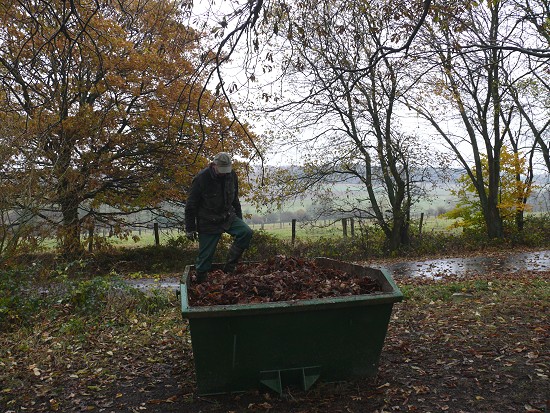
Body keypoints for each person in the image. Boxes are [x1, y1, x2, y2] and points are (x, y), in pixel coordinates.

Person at [184, 152, 253, 283]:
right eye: (222, 170)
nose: (224, 173)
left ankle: (229, 268)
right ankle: (201, 281)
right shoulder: (201, 179)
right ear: (214, 165)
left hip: (227, 216)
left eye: (226, 170)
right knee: (205, 256)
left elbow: (235, 200)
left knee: (246, 232)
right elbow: (191, 205)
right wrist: (190, 228)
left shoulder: (232, 175)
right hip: (208, 221)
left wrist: (239, 219)